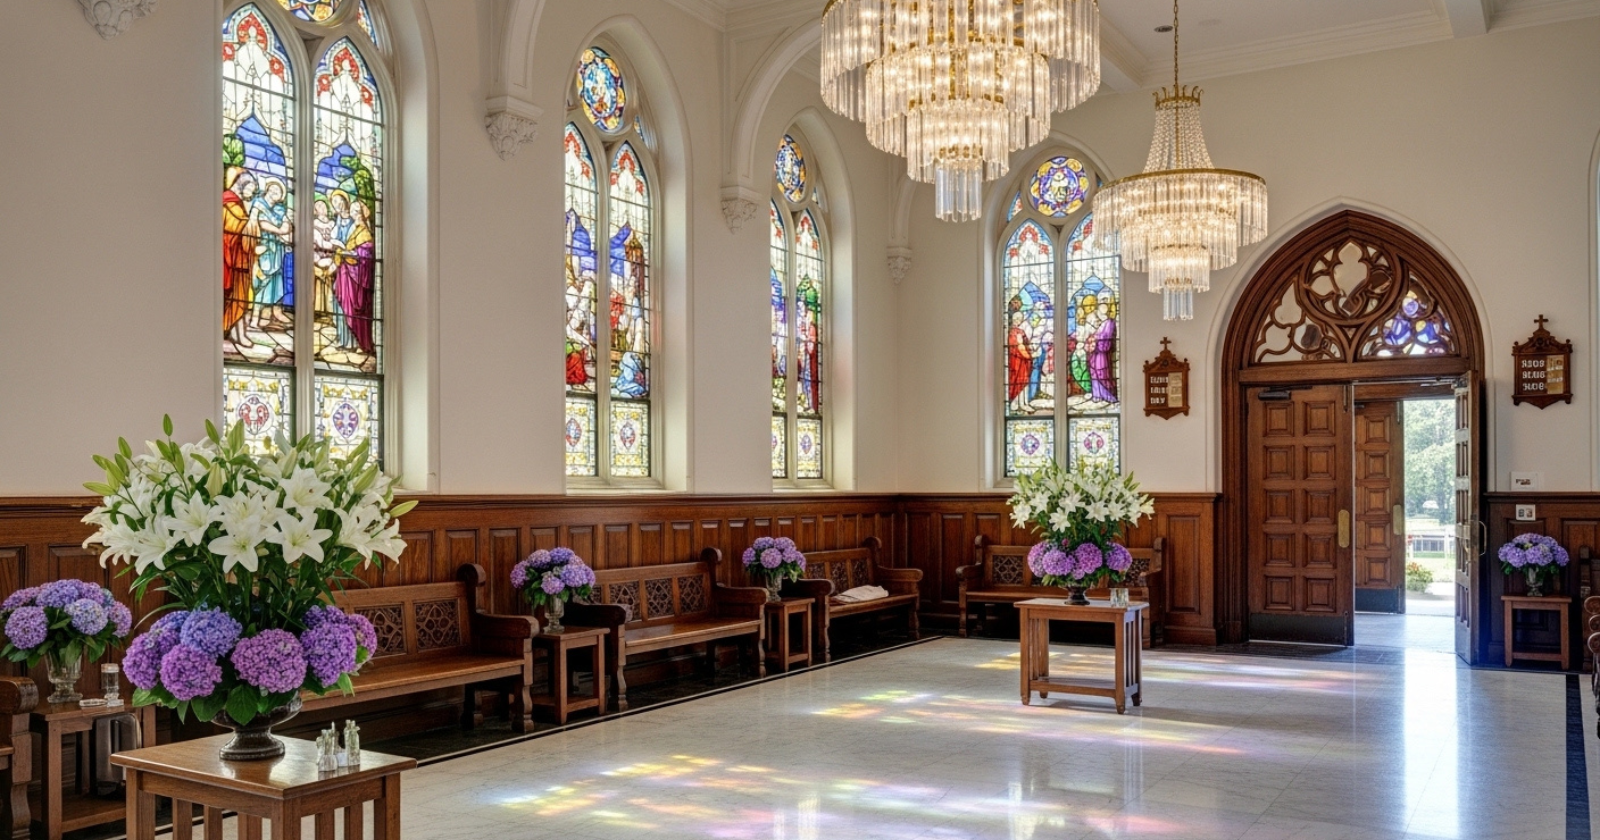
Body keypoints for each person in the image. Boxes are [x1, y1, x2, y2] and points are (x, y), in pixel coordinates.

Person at [334, 199, 377, 356]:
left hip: (358, 278)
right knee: (347, 307)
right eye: (352, 211)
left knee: (357, 310)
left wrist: (351, 254)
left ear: (362, 214)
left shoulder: (364, 232)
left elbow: (366, 255)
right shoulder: (355, 230)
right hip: (348, 274)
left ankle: (363, 343)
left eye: (356, 211)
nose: (354, 214)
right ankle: (351, 341)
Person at [223, 169, 259, 350]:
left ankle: (239, 333)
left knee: (243, 299)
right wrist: (252, 219)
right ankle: (237, 334)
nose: (251, 193)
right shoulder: (229, 204)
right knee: (238, 299)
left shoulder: (237, 204)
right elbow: (233, 230)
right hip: (234, 262)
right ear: (241, 185)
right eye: (250, 189)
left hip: (242, 260)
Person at [250, 179, 293, 329]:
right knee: (264, 280)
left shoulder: (280, 210)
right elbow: (261, 224)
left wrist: (283, 230)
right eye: (273, 188)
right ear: (267, 189)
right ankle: (256, 316)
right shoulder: (258, 203)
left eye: (279, 191)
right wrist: (280, 230)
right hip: (264, 246)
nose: (275, 192)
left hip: (278, 248)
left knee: (278, 280)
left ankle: (274, 311)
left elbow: (288, 225)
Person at [1089, 299, 1118, 405]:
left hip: (1102, 353)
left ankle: (1107, 395)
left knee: (1102, 372)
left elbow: (1106, 337)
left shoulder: (1109, 322)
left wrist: (1097, 339)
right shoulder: (1100, 323)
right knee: (1094, 372)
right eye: (1100, 307)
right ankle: (1097, 395)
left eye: (1104, 307)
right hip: (1095, 353)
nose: (1102, 310)